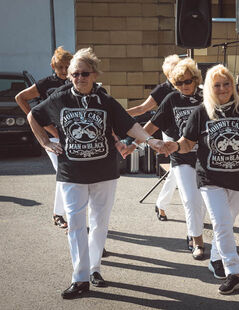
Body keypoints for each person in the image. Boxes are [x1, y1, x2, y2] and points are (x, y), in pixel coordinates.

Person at [27, 47, 167, 299]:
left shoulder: (106, 100)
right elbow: (33, 116)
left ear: (94, 74)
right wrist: (46, 143)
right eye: (75, 74)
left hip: (105, 171)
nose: (79, 78)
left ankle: (94, 269)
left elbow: (130, 124)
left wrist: (151, 141)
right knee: (76, 225)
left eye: (84, 73)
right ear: (69, 76)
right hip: (72, 172)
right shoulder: (59, 98)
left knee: (99, 223)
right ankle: (79, 278)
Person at [159, 64, 239, 294]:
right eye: (217, 85)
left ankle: (216, 257)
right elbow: (187, 143)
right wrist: (174, 145)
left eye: (226, 84)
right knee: (221, 222)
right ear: (209, 87)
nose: (222, 88)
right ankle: (234, 272)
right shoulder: (201, 112)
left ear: (233, 85)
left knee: (227, 223)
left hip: (238, 177)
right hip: (210, 177)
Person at [129, 57, 207, 260]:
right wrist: (134, 145)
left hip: (205, 156)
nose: (184, 86)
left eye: (188, 82)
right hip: (180, 156)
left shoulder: (207, 96)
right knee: (190, 199)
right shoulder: (171, 99)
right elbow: (152, 125)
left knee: (202, 201)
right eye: (179, 83)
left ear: (196, 79)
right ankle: (195, 239)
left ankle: (195, 229)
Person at [15, 46, 73, 229]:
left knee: (65, 175)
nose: (64, 71)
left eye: (67, 67)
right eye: (60, 67)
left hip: (72, 135)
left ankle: (59, 213)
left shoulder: (76, 81)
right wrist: (39, 123)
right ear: (53, 66)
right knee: (65, 174)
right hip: (53, 137)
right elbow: (20, 97)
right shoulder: (46, 83)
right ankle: (62, 215)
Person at [125, 54, 181, 222]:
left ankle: (161, 205)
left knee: (177, 171)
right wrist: (119, 114)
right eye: (172, 72)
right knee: (179, 168)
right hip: (170, 132)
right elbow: (142, 109)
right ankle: (163, 205)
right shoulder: (162, 90)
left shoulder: (190, 86)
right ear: (167, 74)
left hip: (189, 132)